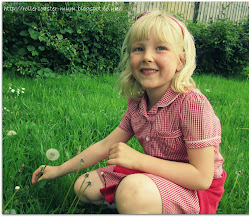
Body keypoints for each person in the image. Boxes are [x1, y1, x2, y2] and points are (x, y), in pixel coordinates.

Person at [32, 10, 226, 214]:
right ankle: (137, 202)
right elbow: (106, 145)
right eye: (138, 49)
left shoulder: (191, 104)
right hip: (153, 174)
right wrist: (59, 170)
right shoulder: (137, 103)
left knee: (132, 191)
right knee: (84, 186)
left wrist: (138, 160)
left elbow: (202, 178)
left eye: (161, 48)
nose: (147, 57)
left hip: (193, 190)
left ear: (180, 60)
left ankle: (136, 199)